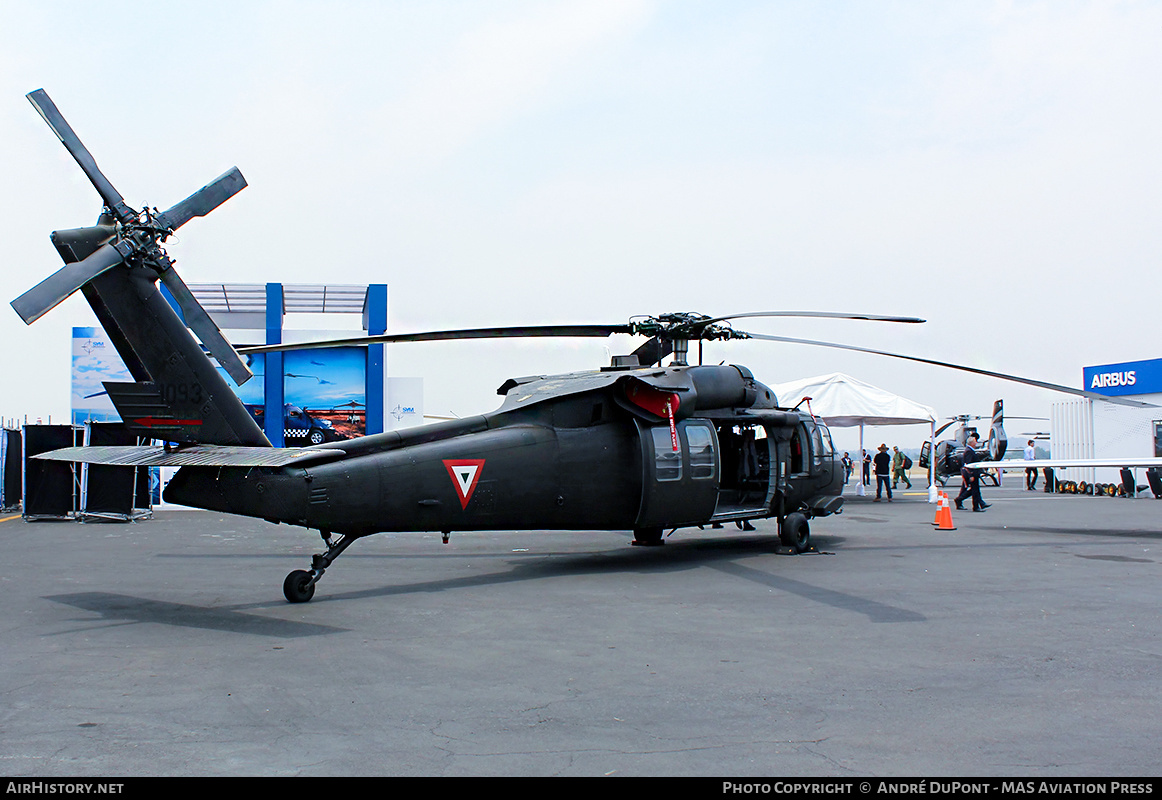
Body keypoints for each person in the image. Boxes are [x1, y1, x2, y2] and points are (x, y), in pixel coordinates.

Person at [954, 433, 989, 511]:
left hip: (973, 473)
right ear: (972, 443)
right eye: (975, 441)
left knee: (974, 490)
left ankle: (979, 504)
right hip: (972, 474)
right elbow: (968, 464)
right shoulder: (969, 451)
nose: (976, 443)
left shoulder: (970, 450)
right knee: (974, 490)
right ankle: (971, 504)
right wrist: (971, 475)